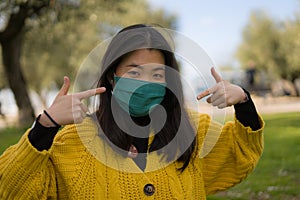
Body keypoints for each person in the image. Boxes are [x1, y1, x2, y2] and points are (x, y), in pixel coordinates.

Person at [0, 24, 264, 199]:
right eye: (134, 72)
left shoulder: (192, 131)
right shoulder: (74, 142)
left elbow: (240, 155)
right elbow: (10, 189)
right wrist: (46, 125)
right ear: (112, 78)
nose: (145, 83)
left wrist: (243, 101)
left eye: (157, 74)